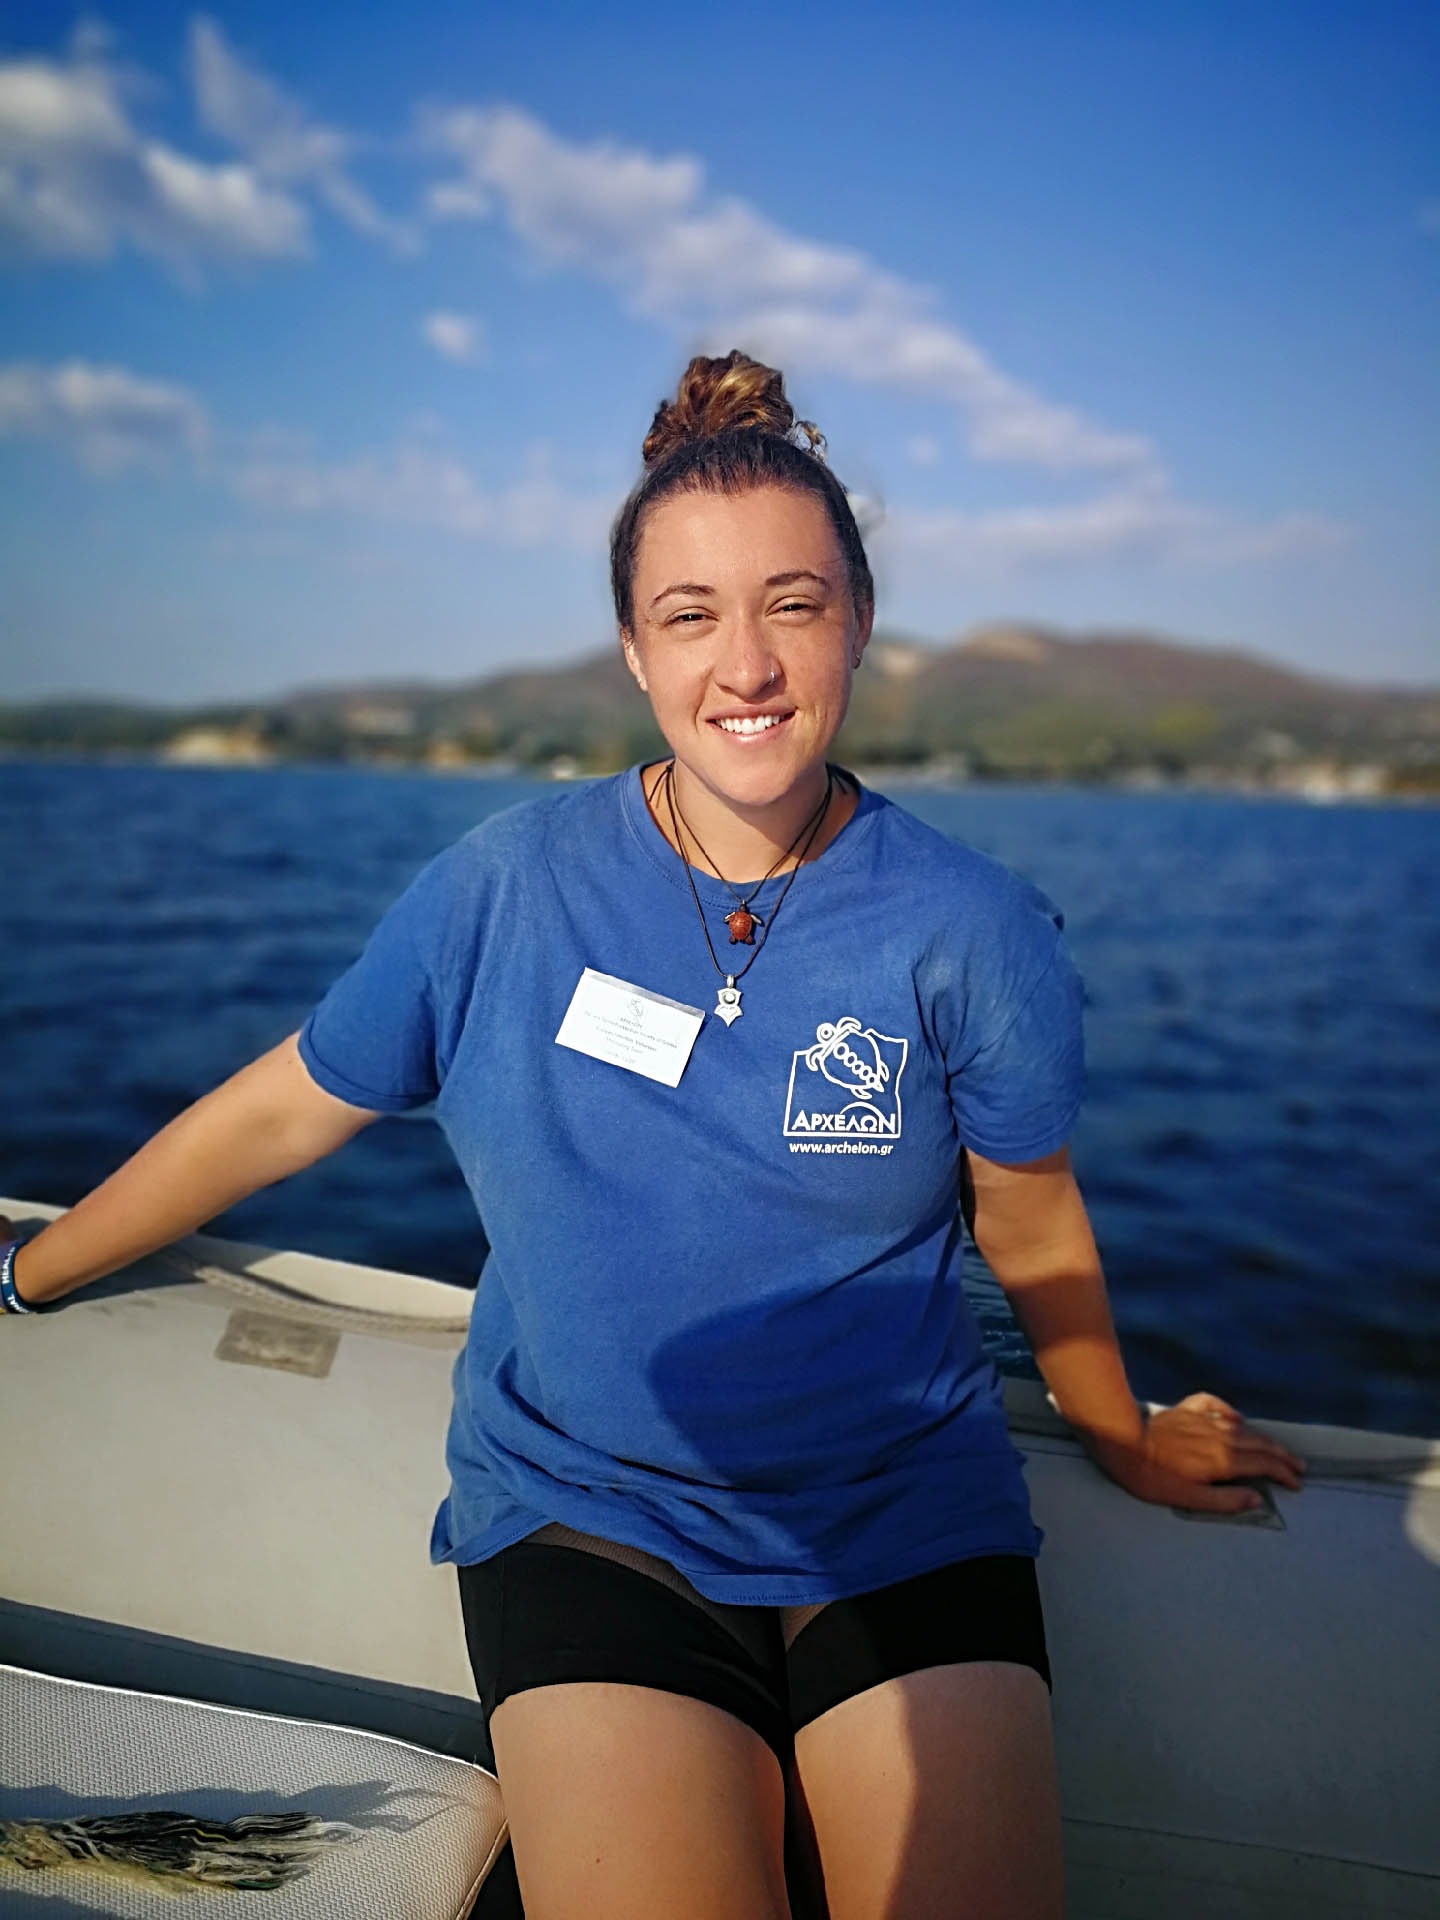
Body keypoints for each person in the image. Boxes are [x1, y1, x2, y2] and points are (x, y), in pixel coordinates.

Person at [1, 350, 1306, 1920]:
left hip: (898, 1509)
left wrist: (1121, 1432)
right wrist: (34, 1272)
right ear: (633, 649)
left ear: (861, 626)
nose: (745, 663)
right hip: (594, 1508)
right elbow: (287, 1104)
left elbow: (1029, 1223)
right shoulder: (505, 887)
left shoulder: (971, 926)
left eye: (794, 604)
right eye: (691, 615)